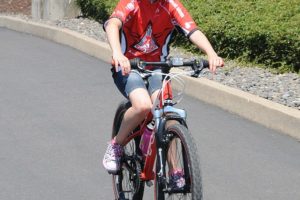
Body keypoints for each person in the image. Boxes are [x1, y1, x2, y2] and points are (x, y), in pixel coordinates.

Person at [102, 0, 224, 188]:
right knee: (142, 105)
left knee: (167, 114)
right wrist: (118, 53)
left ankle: (175, 171)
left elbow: (192, 30)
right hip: (130, 67)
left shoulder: (170, 4)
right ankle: (116, 145)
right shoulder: (132, 3)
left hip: (158, 68)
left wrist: (211, 53)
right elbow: (113, 23)